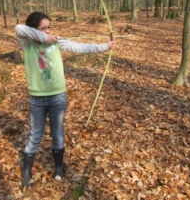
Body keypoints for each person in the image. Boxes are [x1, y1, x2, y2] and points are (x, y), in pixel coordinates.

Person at [15, 11, 116, 187]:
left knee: (57, 133)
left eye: (48, 28)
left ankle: (59, 167)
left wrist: (104, 46)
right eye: (43, 29)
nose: (47, 31)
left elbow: (79, 47)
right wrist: (44, 38)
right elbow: (18, 28)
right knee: (35, 134)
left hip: (57, 96)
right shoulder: (28, 43)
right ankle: (26, 171)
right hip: (37, 98)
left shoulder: (56, 41)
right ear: (35, 30)